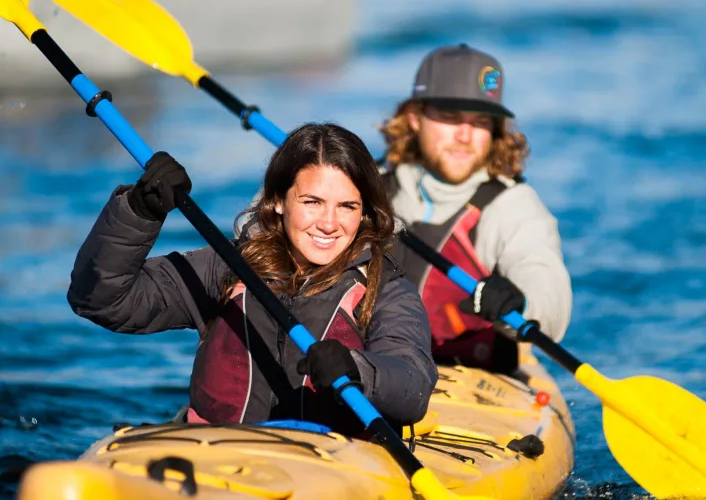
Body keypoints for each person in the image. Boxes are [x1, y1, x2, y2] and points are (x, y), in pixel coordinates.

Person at [66, 122, 438, 435]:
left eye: (347, 206)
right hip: (214, 457)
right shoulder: (228, 267)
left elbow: (413, 385)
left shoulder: (386, 290)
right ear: (278, 201)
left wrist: (358, 370)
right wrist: (139, 210)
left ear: (365, 213)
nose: (329, 223)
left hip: (328, 470)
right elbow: (100, 299)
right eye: (312, 202)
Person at [379, 44, 573, 373]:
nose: (465, 135)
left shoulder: (511, 205)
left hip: (473, 377)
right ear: (414, 118)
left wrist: (522, 302)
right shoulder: (364, 190)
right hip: (371, 369)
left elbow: (546, 283)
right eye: (451, 118)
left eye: (480, 121)